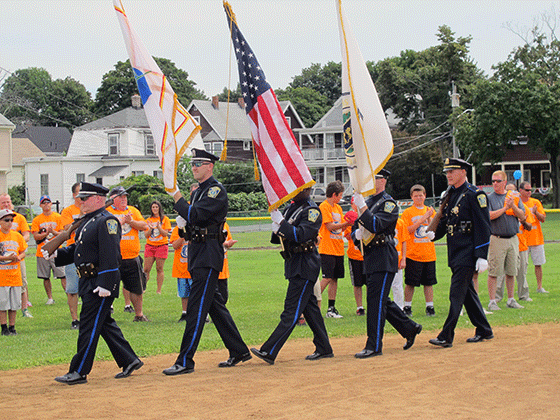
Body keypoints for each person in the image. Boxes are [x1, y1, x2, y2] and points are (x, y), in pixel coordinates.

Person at [163, 148, 250, 375]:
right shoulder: (199, 191)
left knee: (196, 307)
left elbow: (198, 215)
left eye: (198, 163)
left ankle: (185, 360)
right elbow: (192, 221)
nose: (194, 167)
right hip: (198, 251)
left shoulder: (215, 190)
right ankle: (239, 350)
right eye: (192, 164)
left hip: (209, 253)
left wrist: (177, 198)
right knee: (214, 306)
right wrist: (183, 224)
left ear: (210, 166)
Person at [49, 182, 143, 385]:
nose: (80, 201)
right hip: (88, 280)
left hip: (100, 283)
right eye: (80, 198)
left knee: (89, 326)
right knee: (104, 324)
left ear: (99, 199)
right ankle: (129, 359)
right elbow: (78, 250)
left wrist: (106, 284)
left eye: (85, 198)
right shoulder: (87, 221)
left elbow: (111, 256)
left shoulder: (107, 221)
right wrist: (56, 255)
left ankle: (79, 371)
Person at [251, 187, 333, 364]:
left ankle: (269, 350)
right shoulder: (291, 207)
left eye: (301, 188)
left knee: (291, 309)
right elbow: (277, 239)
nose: (296, 191)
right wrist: (277, 226)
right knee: (310, 309)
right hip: (294, 263)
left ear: (308, 189)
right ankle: (324, 347)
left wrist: (282, 224)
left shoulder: (312, 211)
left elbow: (301, 235)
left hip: (305, 264)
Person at [351, 169, 423, 358]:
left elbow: (375, 225)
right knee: (382, 299)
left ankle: (374, 345)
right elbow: (355, 227)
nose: (371, 182)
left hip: (384, 256)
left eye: (375, 178)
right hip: (370, 256)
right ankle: (410, 328)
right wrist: (355, 235)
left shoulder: (389, 204)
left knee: (375, 302)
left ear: (383, 181)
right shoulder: (367, 203)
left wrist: (362, 209)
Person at [428, 158, 493, 348]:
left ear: (463, 172)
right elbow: (448, 222)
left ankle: (446, 335)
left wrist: (482, 254)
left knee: (456, 294)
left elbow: (483, 226)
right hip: (455, 251)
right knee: (467, 295)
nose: (448, 175)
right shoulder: (451, 194)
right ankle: (484, 329)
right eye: (447, 172)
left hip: (468, 252)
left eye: (452, 171)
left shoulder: (475, 195)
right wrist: (433, 233)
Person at [107, 187, 149, 321]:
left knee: (136, 288)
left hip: (132, 257)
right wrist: (121, 222)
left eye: (125, 196)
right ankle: (106, 314)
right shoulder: (107, 212)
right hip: (112, 256)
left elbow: (143, 225)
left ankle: (139, 314)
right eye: (120, 197)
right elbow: (105, 228)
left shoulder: (133, 211)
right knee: (108, 288)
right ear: (113, 199)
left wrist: (131, 222)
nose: (124, 199)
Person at [485, 171, 526, 311]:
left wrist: (512, 206)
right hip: (497, 238)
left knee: (511, 271)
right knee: (494, 271)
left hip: (513, 238)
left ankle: (511, 299)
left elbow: (523, 215)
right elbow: (489, 216)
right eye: (493, 181)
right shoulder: (489, 198)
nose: (495, 184)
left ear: (504, 182)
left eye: (498, 181)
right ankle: (492, 301)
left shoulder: (513, 197)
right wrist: (505, 208)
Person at [400, 184, 437, 317]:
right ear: (412, 197)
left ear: (425, 196)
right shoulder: (408, 213)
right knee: (410, 283)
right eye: (416, 196)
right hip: (413, 254)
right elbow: (407, 231)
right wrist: (421, 219)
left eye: (421, 195)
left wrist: (429, 217)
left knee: (429, 283)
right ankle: (407, 306)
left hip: (428, 253)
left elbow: (435, 230)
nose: (419, 198)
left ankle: (430, 306)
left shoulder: (430, 210)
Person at [318, 180, 353, 318]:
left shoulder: (338, 208)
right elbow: (330, 226)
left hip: (338, 248)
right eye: (339, 195)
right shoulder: (324, 206)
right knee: (326, 278)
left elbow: (339, 227)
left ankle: (331, 309)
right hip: (327, 248)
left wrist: (348, 224)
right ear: (334, 194)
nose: (340, 198)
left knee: (334, 279)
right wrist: (345, 223)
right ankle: (311, 301)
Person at [496, 183, 532, 303]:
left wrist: (523, 220)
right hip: (504, 242)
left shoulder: (521, 207)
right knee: (500, 273)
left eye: (513, 192)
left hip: (520, 245)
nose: (511, 195)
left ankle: (523, 295)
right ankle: (497, 297)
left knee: (521, 272)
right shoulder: (501, 206)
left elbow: (529, 225)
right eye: (508, 192)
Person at [0, 194, 32, 318]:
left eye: (8, 201)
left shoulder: (19, 217)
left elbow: (26, 235)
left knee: (22, 282)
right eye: (3, 202)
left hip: (16, 255)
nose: (6, 204)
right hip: (3, 263)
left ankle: (24, 308)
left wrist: (17, 246)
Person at [31, 195, 66, 305]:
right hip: (42, 251)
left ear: (51, 204)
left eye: (48, 202)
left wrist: (53, 232)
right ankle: (50, 298)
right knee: (45, 276)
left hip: (57, 250)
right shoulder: (37, 219)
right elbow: (36, 236)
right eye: (44, 203)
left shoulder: (58, 217)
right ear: (41, 205)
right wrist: (45, 234)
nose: (46, 204)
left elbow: (63, 234)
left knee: (62, 275)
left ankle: (69, 294)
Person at [0, 209, 27, 336]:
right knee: (3, 304)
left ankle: (12, 327)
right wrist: (7, 258)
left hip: (15, 276)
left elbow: (23, 251)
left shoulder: (17, 235)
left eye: (11, 220)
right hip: (2, 276)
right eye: (6, 220)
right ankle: (4, 327)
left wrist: (19, 257)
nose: (10, 222)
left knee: (14, 304)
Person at [60, 183, 82, 329]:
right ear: (74, 195)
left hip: (88, 250)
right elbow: (67, 228)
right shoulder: (68, 211)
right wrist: (80, 218)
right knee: (72, 288)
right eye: (80, 192)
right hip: (72, 250)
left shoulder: (92, 209)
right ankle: (75, 319)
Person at [518, 181, 548, 294]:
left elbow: (543, 219)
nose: (529, 192)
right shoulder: (518, 202)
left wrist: (536, 213)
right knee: (522, 266)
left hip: (536, 238)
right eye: (527, 190)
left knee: (538, 264)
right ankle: (522, 288)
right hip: (523, 239)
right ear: (521, 191)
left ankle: (539, 287)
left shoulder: (535, 202)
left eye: (530, 190)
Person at [144, 200, 171, 294]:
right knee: (146, 269)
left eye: (156, 207)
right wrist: (151, 228)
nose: (155, 209)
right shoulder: (148, 220)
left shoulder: (165, 219)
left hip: (161, 245)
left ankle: (158, 290)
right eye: (153, 207)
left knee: (159, 268)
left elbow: (165, 234)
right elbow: (146, 235)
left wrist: (159, 227)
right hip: (150, 246)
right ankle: (143, 288)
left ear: (159, 208)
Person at [344, 199, 365, 315]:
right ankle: (360, 307)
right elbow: (347, 236)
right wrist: (351, 224)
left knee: (370, 282)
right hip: (354, 255)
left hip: (366, 255)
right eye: (354, 203)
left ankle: (372, 304)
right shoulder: (350, 216)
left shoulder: (367, 215)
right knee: (357, 283)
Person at [170, 225, 191, 322]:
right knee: (184, 293)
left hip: (193, 268)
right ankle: (185, 313)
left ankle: (202, 313)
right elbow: (174, 245)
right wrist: (183, 236)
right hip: (181, 268)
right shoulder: (177, 229)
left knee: (196, 293)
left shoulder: (195, 227)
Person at [392, 216, 406, 309]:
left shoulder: (400, 222)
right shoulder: (382, 221)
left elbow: (404, 241)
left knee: (397, 285)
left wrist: (404, 258)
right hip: (385, 258)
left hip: (397, 257)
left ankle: (400, 307)